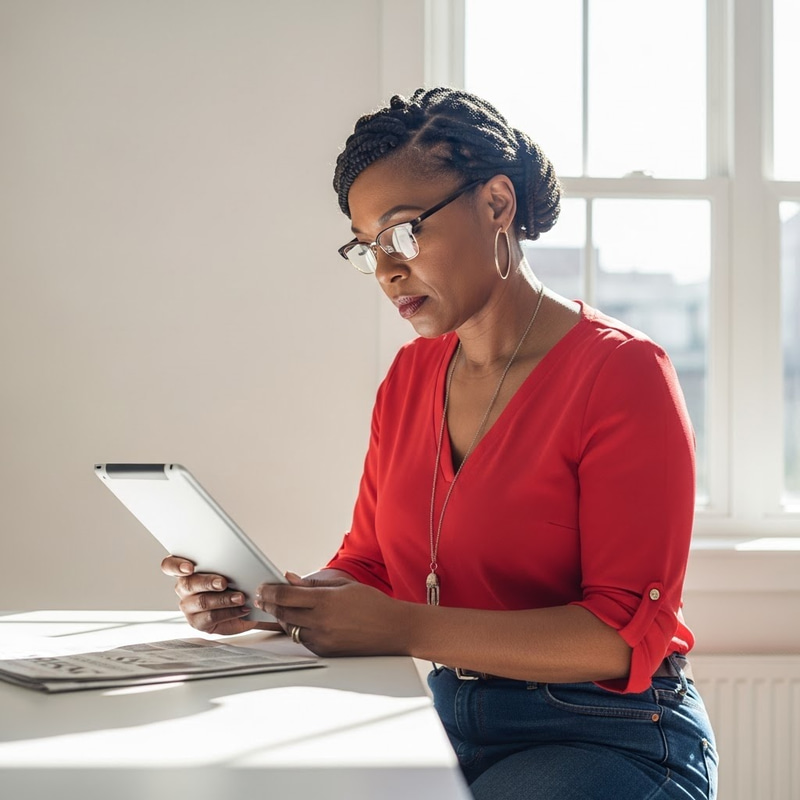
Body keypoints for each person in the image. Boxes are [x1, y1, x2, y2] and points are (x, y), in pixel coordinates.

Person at [161, 87, 718, 799]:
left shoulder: (623, 373)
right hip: (450, 729)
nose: (387, 270)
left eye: (403, 233)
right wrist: (273, 601)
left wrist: (399, 627)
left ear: (496, 204)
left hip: (612, 735)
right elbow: (368, 562)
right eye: (367, 250)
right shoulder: (411, 374)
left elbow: (616, 636)